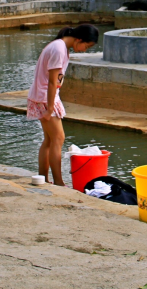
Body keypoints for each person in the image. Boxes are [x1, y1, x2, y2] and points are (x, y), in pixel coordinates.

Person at [27, 24, 99, 185]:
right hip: (45, 98)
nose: (84, 50)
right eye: (86, 46)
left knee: (49, 139)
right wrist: (50, 109)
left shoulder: (59, 46)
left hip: (41, 96)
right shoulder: (59, 49)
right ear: (79, 39)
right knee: (58, 138)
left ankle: (43, 178)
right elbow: (53, 82)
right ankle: (59, 182)